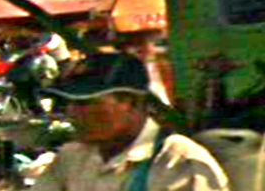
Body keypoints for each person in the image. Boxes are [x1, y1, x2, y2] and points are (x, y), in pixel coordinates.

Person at [33, 52, 230, 191]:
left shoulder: (177, 161)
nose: (72, 112)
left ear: (132, 102)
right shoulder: (71, 158)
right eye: (68, 103)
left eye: (86, 103)